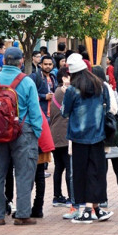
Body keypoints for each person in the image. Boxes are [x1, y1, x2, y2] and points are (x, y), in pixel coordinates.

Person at [0, 47, 42, 226]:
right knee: (23, 174)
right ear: (21, 62)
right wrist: (35, 133)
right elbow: (34, 111)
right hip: (23, 132)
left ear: (4, 61)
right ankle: (22, 214)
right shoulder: (27, 82)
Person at [61, 53, 113, 224]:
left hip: (78, 137)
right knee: (96, 172)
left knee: (81, 173)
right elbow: (107, 109)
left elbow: (65, 112)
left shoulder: (71, 90)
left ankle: (86, 210)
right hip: (98, 134)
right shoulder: (101, 86)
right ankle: (96, 208)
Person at [91, 67, 118, 209]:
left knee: (102, 170)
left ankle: (103, 199)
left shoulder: (92, 90)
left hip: (99, 132)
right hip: (113, 130)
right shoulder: (110, 90)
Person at [49, 66, 72, 208]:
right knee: (68, 167)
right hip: (62, 135)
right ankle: (71, 196)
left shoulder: (57, 91)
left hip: (55, 134)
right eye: (69, 76)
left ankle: (57, 196)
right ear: (64, 78)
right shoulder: (63, 92)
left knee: (59, 166)